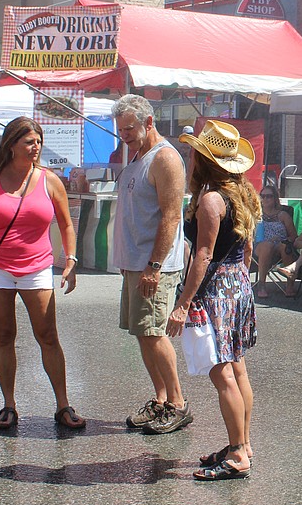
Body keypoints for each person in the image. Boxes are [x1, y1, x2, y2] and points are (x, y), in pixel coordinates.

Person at [0, 117, 85, 431]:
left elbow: (66, 223)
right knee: (3, 336)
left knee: (48, 337)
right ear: (11, 145)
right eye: (29, 142)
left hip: (37, 268)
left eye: (38, 141)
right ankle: (9, 406)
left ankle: (63, 405)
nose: (36, 147)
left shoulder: (49, 180)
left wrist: (70, 259)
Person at [169, 120, 260, 480]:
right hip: (237, 282)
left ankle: (237, 453)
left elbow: (203, 255)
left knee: (220, 370)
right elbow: (248, 248)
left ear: (203, 159)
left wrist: (183, 303)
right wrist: (239, 285)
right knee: (237, 367)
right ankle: (244, 443)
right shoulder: (243, 194)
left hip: (217, 288)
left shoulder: (210, 200)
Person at [111, 94, 192, 436]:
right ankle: (161, 399)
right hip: (135, 262)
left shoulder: (165, 159)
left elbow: (171, 216)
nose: (124, 135)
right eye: (121, 130)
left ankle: (178, 403)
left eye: (129, 128)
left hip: (154, 265)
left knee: (154, 333)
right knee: (143, 334)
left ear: (148, 123)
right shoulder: (138, 156)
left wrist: (154, 265)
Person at [252, 184, 297, 298]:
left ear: (275, 198)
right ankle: (261, 285)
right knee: (267, 245)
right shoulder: (255, 214)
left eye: (269, 196)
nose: (265, 199)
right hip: (259, 246)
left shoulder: (283, 215)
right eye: (263, 196)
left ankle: (289, 284)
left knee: (285, 246)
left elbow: (293, 236)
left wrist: (283, 239)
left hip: (279, 246)